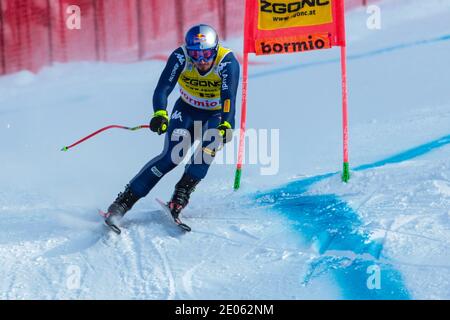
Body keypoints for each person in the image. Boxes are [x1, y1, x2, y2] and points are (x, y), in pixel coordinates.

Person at [104, 24, 240, 229]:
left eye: (206, 54)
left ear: (215, 49)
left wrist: (227, 124)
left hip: (217, 114)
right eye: (196, 54)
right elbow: (163, 88)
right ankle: (123, 202)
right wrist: (160, 113)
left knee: (206, 151)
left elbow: (229, 98)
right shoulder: (180, 57)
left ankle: (180, 196)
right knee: (172, 156)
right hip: (186, 110)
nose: (201, 61)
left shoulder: (227, 62)